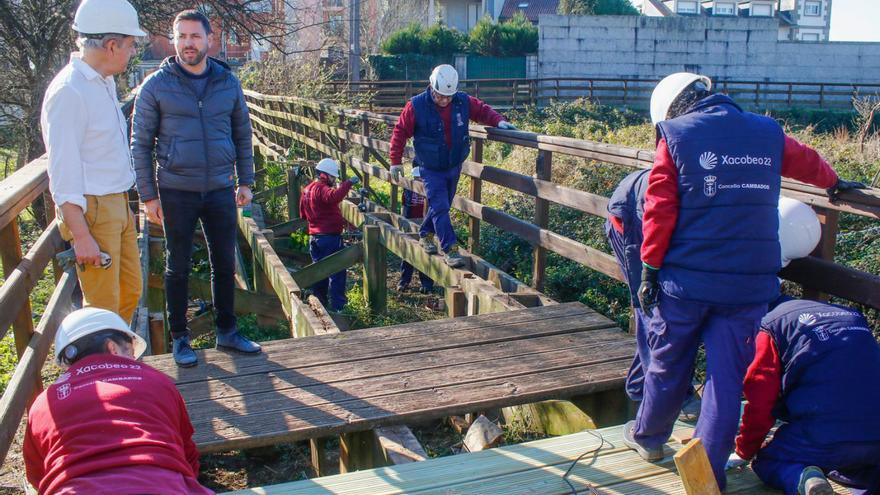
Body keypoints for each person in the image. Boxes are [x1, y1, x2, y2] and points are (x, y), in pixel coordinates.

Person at [620, 72, 865, 490]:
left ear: (675, 107)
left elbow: (659, 210)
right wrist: (834, 183)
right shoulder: (766, 131)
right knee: (727, 377)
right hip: (749, 285)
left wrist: (650, 270)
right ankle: (709, 472)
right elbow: (806, 160)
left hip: (687, 284)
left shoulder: (676, 136)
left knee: (668, 361)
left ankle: (648, 438)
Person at [131, 9, 260, 367]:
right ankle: (180, 338)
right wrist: (148, 196)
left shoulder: (227, 82)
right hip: (176, 189)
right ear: (174, 40)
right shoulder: (156, 85)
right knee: (178, 266)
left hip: (220, 186)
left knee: (224, 262)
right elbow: (139, 143)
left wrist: (246, 180)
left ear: (209, 40)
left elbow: (242, 133)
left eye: (195, 36)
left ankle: (228, 332)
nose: (189, 43)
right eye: (182, 36)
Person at [24, 308, 213, 494]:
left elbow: (37, 474)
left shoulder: (43, 404)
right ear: (112, 347)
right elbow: (187, 452)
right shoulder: (157, 380)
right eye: (131, 352)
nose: (133, 360)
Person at [41, 0, 145, 324]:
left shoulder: (101, 81)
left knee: (130, 290)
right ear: (112, 46)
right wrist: (81, 234)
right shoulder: (69, 91)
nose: (132, 52)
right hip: (94, 210)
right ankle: (102, 369)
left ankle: (117, 359)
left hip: (116, 204)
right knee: (102, 307)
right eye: (130, 45)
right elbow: (62, 171)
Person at [735, 297, 880, 495]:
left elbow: (760, 402)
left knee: (768, 459)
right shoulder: (850, 315)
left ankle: (803, 477)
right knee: (858, 463)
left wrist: (745, 449)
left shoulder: (767, 327)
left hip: (824, 433)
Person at [388, 64, 516, 268]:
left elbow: (482, 110)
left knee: (443, 205)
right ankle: (450, 249)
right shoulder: (416, 105)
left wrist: (499, 122)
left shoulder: (462, 101)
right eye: (440, 96)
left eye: (448, 96)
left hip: (453, 163)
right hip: (429, 166)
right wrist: (395, 161)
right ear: (431, 87)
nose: (444, 100)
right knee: (439, 205)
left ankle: (425, 234)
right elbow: (400, 131)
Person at [299, 158, 360, 311]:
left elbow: (303, 215)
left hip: (315, 238)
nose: (334, 181)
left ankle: (320, 303)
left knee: (320, 272)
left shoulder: (307, 190)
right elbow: (333, 197)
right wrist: (348, 183)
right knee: (337, 271)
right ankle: (338, 307)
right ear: (325, 175)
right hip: (329, 238)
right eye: (333, 177)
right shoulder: (321, 188)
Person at [398, 167, 435, 294]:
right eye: (416, 178)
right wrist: (403, 221)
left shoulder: (430, 189)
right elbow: (404, 206)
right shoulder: (408, 190)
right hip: (411, 221)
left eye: (420, 178)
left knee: (426, 254)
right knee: (407, 252)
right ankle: (404, 281)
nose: (418, 180)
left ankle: (427, 284)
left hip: (425, 224)